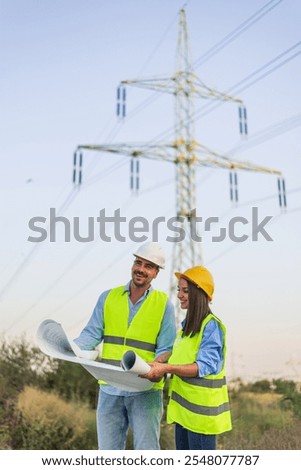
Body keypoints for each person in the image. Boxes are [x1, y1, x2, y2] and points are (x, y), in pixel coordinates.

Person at [73, 242, 176, 450]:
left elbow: (166, 348)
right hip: (110, 387)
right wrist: (69, 349)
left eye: (148, 266)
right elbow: (91, 334)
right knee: (108, 454)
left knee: (146, 452)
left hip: (144, 389)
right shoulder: (108, 298)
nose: (141, 269)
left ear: (156, 273)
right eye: (138, 263)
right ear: (133, 265)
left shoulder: (164, 304)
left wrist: (157, 367)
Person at [142, 266, 232, 450]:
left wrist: (166, 369)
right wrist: (160, 361)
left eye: (185, 291)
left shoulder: (211, 327)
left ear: (199, 294)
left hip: (201, 419)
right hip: (185, 415)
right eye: (178, 290)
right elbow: (179, 355)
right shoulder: (186, 328)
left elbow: (202, 367)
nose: (179, 295)